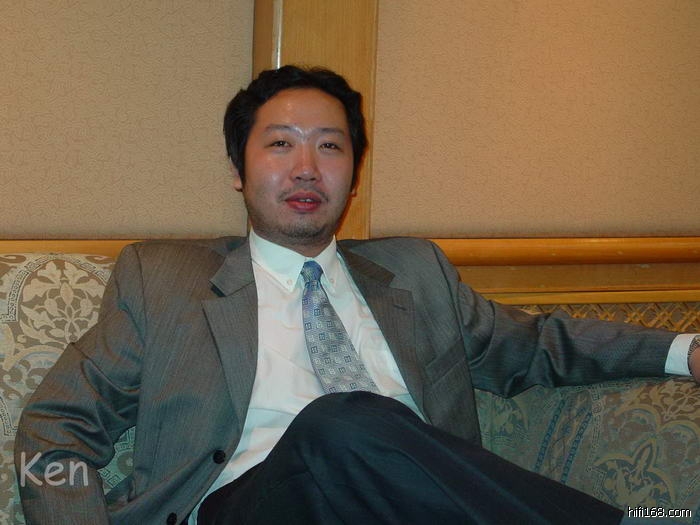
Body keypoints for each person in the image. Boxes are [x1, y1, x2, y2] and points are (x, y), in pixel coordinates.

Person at [15, 65, 699, 525]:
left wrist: (685, 350)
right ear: (237, 170)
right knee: (340, 424)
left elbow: (536, 345)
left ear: (354, 172)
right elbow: (55, 427)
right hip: (253, 506)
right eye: (280, 145)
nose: (306, 168)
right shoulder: (163, 280)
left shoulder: (414, 272)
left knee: (357, 430)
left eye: (330, 147)